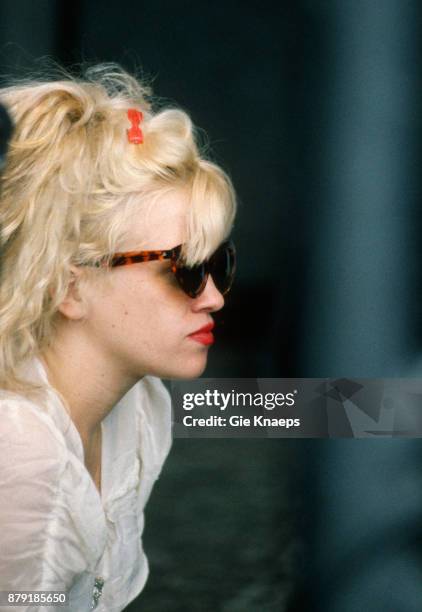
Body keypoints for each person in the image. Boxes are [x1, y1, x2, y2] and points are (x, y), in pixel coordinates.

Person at [0, 63, 236, 611]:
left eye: (218, 264)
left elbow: (263, 410)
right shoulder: (23, 464)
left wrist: (400, 410)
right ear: (68, 285)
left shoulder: (136, 400)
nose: (214, 297)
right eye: (184, 269)